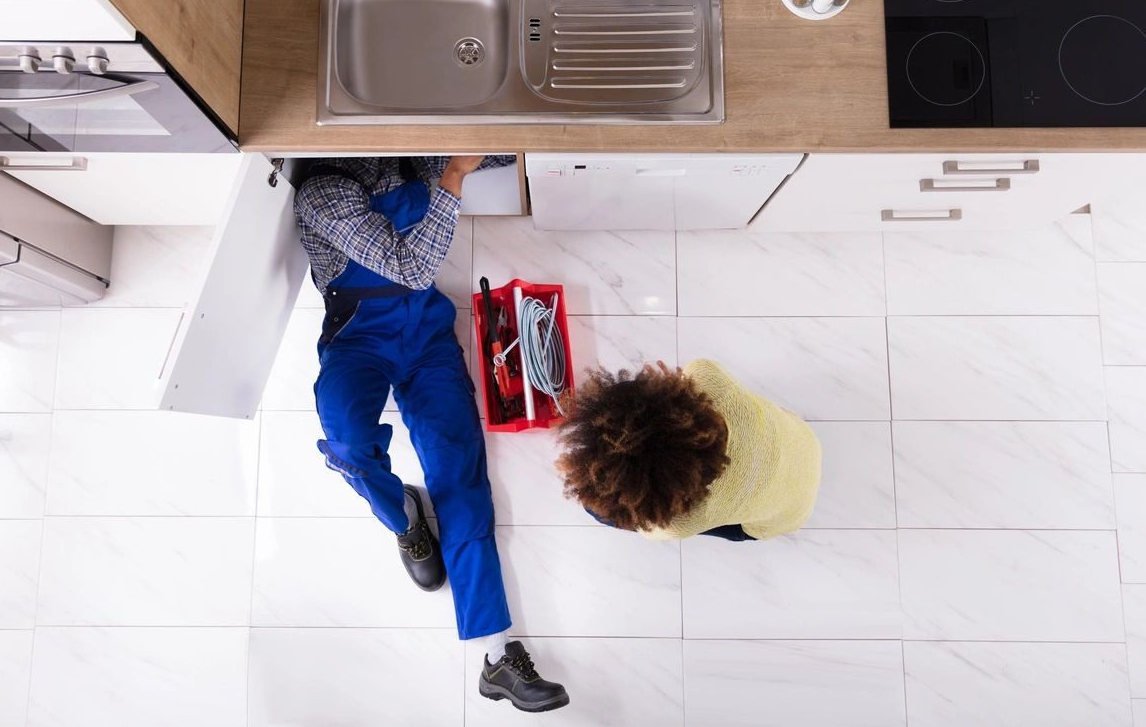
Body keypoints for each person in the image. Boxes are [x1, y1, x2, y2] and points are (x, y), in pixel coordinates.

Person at [294, 155, 569, 714]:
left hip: (427, 338)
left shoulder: (410, 157)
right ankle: (405, 520)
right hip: (357, 342)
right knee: (348, 445)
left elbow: (494, 149)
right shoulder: (321, 192)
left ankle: (497, 657)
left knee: (462, 481)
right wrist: (452, 178)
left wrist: (503, 140)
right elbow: (412, 267)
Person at [554, 360, 821, 542]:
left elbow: (650, 526)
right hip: (802, 439)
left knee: (597, 512)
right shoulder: (705, 374)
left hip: (785, 516)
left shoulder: (681, 523)